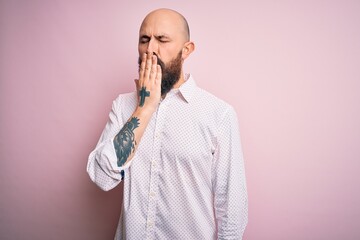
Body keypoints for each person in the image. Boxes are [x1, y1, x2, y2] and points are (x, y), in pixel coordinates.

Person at [87, 8, 248, 240]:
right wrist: (145, 108)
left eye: (162, 39)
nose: (150, 49)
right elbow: (102, 178)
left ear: (186, 50)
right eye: (144, 39)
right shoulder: (123, 106)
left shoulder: (218, 115)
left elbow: (232, 207)